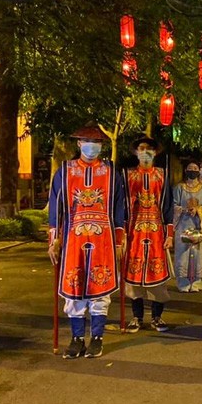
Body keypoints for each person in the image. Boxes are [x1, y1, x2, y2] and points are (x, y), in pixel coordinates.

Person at [48, 124, 125, 359]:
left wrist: (120, 240)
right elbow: (56, 207)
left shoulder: (111, 172)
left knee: (99, 287)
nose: (92, 146)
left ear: (102, 146)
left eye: (97, 142)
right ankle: (77, 338)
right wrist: (54, 240)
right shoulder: (65, 170)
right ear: (79, 143)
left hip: (104, 239)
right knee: (74, 286)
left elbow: (120, 208)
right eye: (87, 141)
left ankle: (98, 337)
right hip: (73, 238)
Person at [122, 136, 173, 333]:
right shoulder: (127, 175)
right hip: (134, 232)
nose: (145, 151)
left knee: (158, 277)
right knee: (133, 277)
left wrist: (169, 234)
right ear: (135, 152)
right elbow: (122, 208)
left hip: (156, 233)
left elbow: (168, 206)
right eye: (141, 148)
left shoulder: (162, 175)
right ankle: (136, 317)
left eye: (149, 148)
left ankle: (157, 317)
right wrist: (122, 235)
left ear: (155, 152)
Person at [173, 160, 202, 292]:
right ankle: (183, 283)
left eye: (195, 168)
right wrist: (184, 210)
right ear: (186, 171)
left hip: (198, 223)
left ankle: (197, 282)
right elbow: (174, 205)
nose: (193, 170)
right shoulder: (179, 188)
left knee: (199, 254)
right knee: (183, 254)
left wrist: (198, 209)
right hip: (183, 223)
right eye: (190, 168)